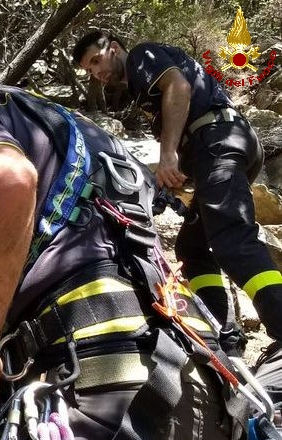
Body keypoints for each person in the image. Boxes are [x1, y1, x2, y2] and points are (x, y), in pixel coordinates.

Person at [0, 65, 247, 440]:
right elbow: (40, 220)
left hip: (105, 386)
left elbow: (5, 180)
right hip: (197, 379)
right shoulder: (49, 122)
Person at [72, 31, 281, 357]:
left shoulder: (142, 56)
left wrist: (167, 155)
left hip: (219, 138)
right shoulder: (137, 90)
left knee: (232, 239)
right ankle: (221, 334)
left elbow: (179, 87)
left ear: (113, 48)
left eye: (97, 60)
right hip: (220, 145)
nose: (96, 72)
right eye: (89, 69)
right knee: (192, 246)